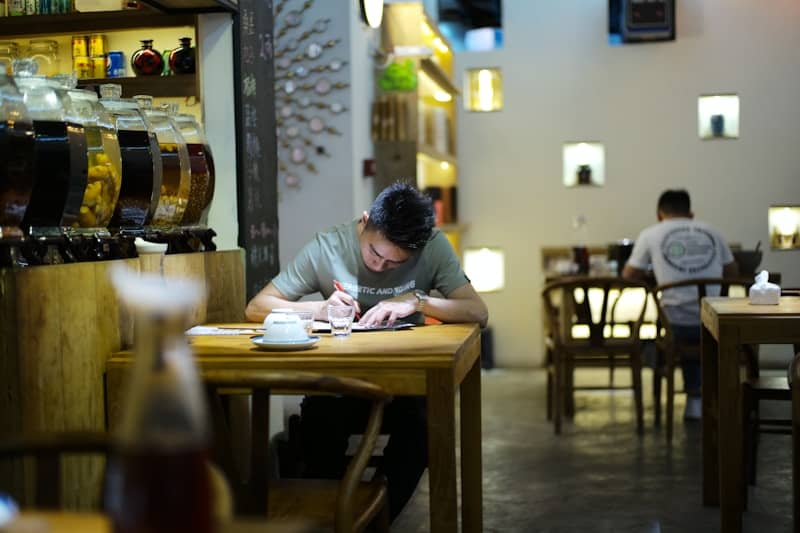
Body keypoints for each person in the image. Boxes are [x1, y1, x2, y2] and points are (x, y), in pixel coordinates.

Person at [245, 182, 488, 520]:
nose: (379, 266)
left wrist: (416, 300)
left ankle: (375, 520)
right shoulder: (328, 246)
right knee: (319, 428)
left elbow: (478, 312)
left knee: (424, 431)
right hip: (337, 382)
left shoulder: (432, 247)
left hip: (404, 385)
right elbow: (257, 308)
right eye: (375, 253)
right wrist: (318, 310)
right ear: (364, 222)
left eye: (394, 263)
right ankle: (330, 518)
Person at [622, 189, 738, 420]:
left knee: (673, 328)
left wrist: (656, 275)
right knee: (702, 327)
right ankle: (709, 398)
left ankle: (691, 396)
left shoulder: (650, 233)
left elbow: (628, 274)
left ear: (659, 215)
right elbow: (732, 273)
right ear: (691, 213)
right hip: (715, 322)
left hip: (676, 324)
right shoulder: (712, 231)